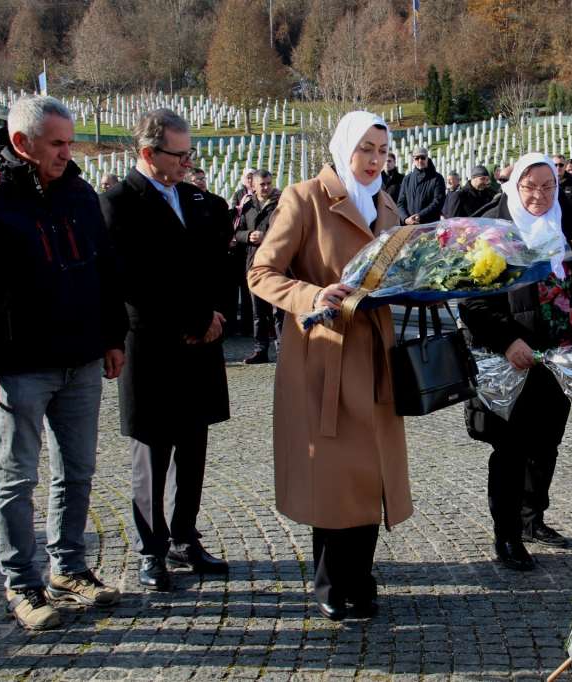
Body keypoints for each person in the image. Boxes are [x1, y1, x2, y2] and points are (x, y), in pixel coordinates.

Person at [0, 95, 126, 630]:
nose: (67, 152)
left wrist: (112, 337)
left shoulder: (78, 192)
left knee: (77, 471)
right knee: (16, 477)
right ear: (22, 143)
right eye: (57, 143)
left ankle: (69, 568)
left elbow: (104, 271)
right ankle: (23, 583)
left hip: (80, 359)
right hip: (17, 365)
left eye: (70, 141)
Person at [247, 111, 411, 621]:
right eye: (366, 148)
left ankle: (360, 575)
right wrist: (315, 294)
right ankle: (331, 581)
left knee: (371, 474)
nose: (374, 160)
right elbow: (261, 273)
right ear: (344, 146)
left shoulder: (387, 206)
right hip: (327, 357)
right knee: (334, 475)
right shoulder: (304, 198)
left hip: (378, 356)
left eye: (382, 151)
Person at [100, 108, 231, 592]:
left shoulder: (196, 199)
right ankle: (150, 549)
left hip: (202, 343)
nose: (187, 161)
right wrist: (193, 320)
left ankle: (183, 536)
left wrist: (215, 315)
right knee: (152, 453)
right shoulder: (118, 202)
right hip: (153, 345)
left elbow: (215, 265)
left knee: (193, 446)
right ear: (148, 153)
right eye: (179, 154)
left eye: (189, 152)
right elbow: (132, 281)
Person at [460, 153, 572, 571]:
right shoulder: (490, 228)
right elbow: (471, 300)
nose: (539, 195)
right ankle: (506, 534)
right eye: (530, 186)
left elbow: (570, 279)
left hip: (561, 352)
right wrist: (507, 341)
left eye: (548, 186)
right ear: (514, 185)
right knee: (510, 448)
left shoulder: (564, 217)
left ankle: (531, 518)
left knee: (547, 444)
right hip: (514, 356)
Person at [237, 169, 283, 364]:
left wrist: (268, 236)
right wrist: (248, 235)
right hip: (253, 262)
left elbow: (288, 229)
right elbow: (237, 232)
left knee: (278, 310)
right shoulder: (247, 206)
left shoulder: (282, 203)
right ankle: (260, 349)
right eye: (262, 184)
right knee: (258, 311)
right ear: (252, 185)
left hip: (277, 262)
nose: (266, 187)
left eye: (268, 183)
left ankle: (283, 350)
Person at [189, 167, 239, 327]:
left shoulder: (217, 202)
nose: (202, 182)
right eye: (198, 179)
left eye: (203, 178)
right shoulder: (183, 202)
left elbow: (227, 229)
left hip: (216, 256)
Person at [227, 167, 257, 336]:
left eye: (253, 176)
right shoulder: (239, 194)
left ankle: (249, 326)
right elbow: (234, 215)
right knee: (234, 288)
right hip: (238, 245)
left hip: (250, 246)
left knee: (248, 289)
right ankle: (231, 326)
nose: (250, 180)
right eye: (248, 177)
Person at [397, 146, 444, 225]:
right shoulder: (407, 179)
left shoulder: (437, 178)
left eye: (422, 158)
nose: (420, 160)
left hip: (429, 226)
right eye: (417, 158)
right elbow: (400, 203)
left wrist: (420, 215)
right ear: (413, 160)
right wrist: (405, 219)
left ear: (427, 159)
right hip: (409, 227)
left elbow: (438, 202)